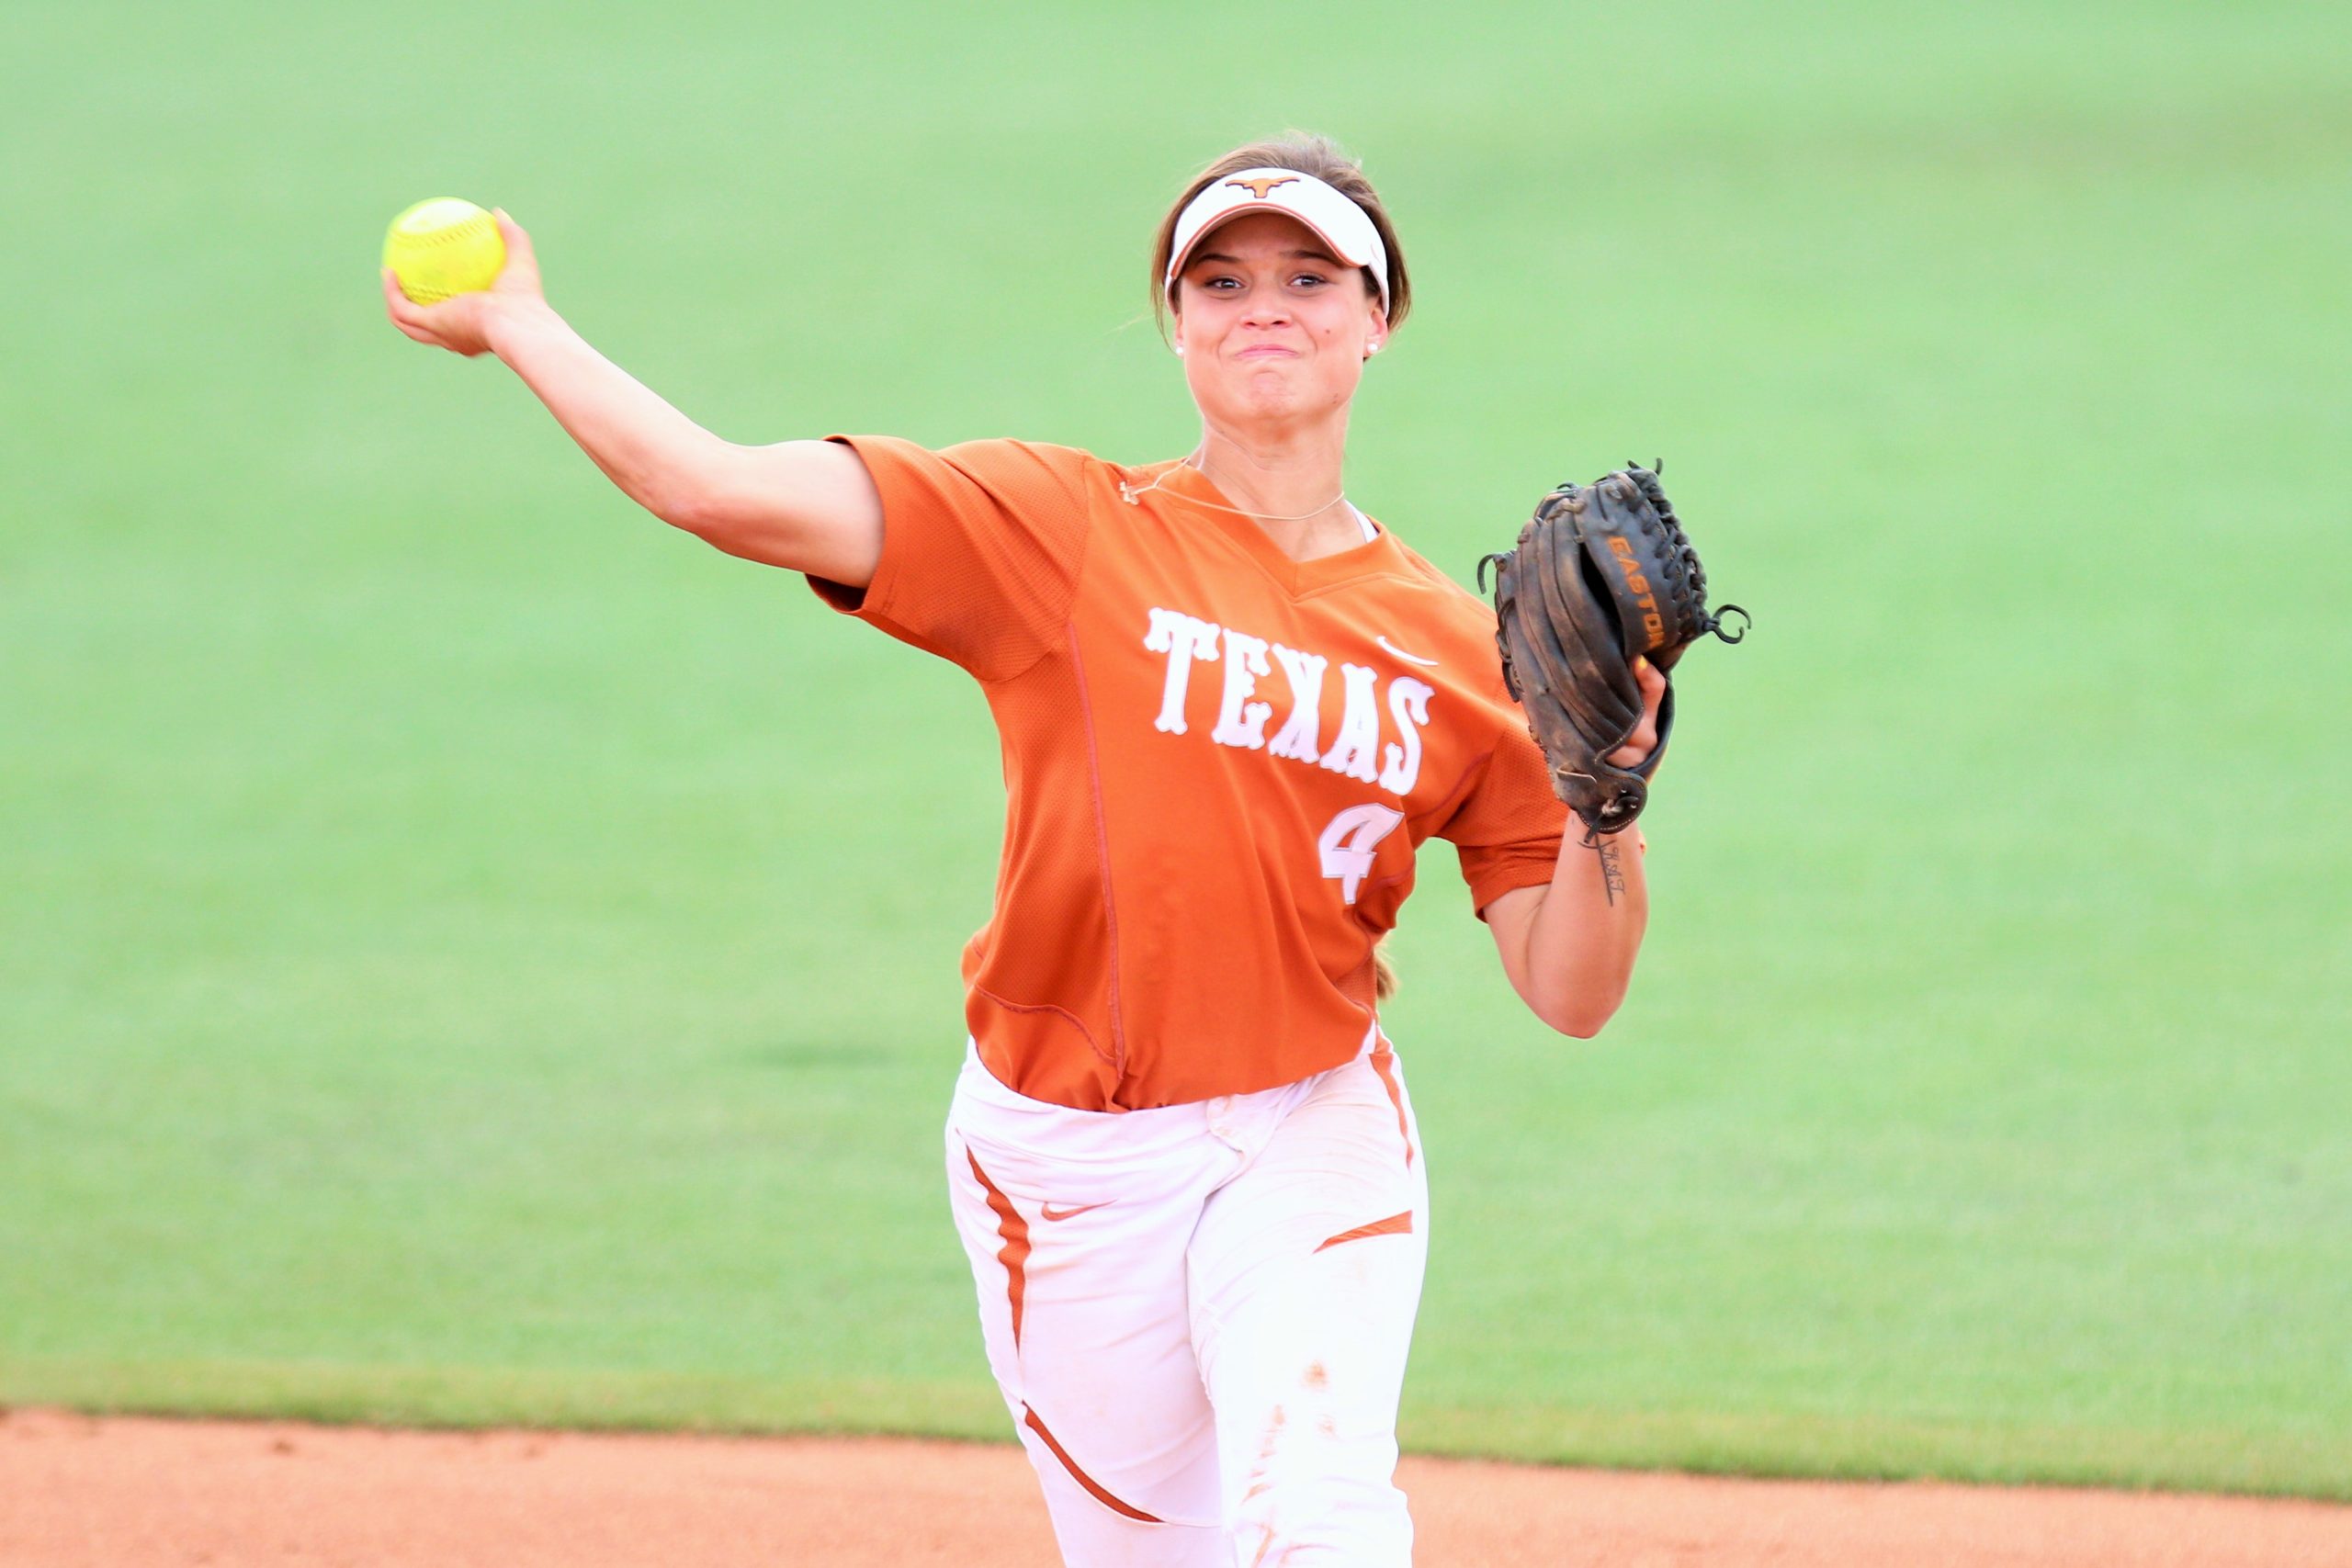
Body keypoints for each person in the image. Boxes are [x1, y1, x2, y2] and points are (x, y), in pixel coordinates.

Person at [384, 131, 1664, 1568]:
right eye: (1222, 278)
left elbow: (1572, 992)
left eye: (1313, 276)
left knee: (1324, 1524)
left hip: (1310, 1123)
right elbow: (717, 489)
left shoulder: (1459, 649)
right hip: (1063, 1161)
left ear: (1376, 320)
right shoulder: (1058, 529)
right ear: (1175, 322)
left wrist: (1605, 803)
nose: (1267, 306)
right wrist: (522, 324)